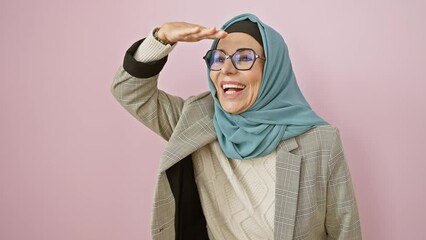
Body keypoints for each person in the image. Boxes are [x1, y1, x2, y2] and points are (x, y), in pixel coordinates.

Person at [112, 13, 361, 240]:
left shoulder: (320, 141)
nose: (227, 70)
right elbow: (129, 92)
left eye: (244, 58)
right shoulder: (195, 120)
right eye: (218, 59)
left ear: (272, 69)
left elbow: (345, 232)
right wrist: (161, 38)